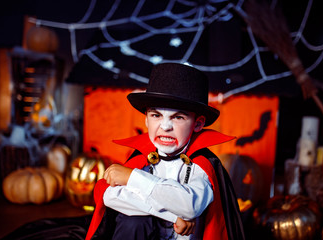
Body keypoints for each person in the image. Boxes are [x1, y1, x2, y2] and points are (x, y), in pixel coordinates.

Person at [85, 63, 245, 240]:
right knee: (134, 222)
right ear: (146, 119)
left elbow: (190, 206)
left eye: (178, 117)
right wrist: (174, 216)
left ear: (198, 123)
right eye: (156, 115)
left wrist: (134, 179)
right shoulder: (140, 159)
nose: (165, 126)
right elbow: (110, 196)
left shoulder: (201, 166)